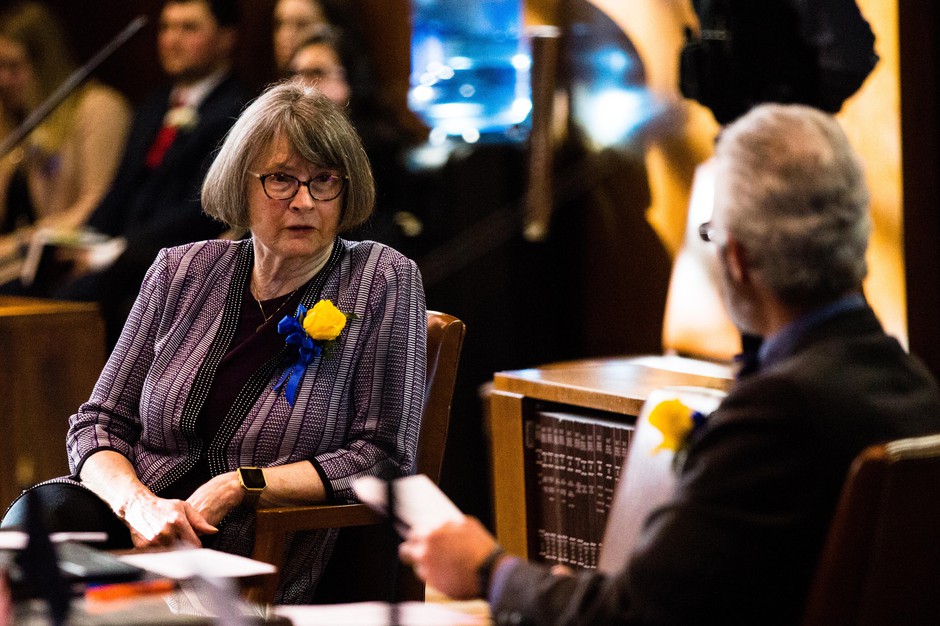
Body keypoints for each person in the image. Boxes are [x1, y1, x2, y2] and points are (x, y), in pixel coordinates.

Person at [398, 103, 940, 624]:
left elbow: (630, 617)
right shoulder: (915, 386)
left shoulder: (777, 415)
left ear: (736, 259)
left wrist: (490, 570)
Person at [2, 79, 427, 604]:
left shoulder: (382, 278)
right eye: (281, 180)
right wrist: (140, 506)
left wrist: (239, 485)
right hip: (137, 526)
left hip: (257, 547)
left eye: (323, 181)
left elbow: (383, 455)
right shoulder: (181, 270)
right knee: (30, 532)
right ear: (241, 186)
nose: (304, 201)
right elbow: (97, 425)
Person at [46, 0, 249, 347]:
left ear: (227, 38)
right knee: (27, 290)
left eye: (189, 28)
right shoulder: (153, 106)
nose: (171, 39)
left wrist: (121, 250)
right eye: (166, 27)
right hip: (116, 253)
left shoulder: (238, 109)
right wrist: (84, 237)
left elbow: (205, 207)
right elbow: (121, 187)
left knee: (63, 311)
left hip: (171, 261)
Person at [0, 1, 131, 250]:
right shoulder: (10, 116)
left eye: (13, 66)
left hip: (62, 259)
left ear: (45, 63)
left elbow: (97, 204)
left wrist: (23, 240)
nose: (3, 79)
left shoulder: (98, 108)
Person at [288, 26, 418, 250]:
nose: (301, 86)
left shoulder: (379, 148)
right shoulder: (281, 143)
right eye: (294, 74)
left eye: (316, 74)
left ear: (351, 81)